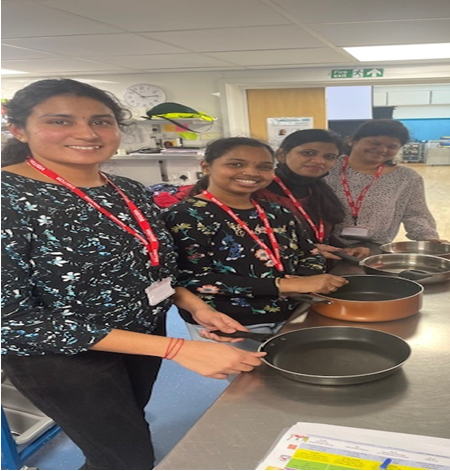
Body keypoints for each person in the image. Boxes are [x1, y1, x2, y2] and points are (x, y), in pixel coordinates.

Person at [0, 78, 266, 470]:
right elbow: (11, 320)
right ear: (18, 129)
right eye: (60, 121)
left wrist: (193, 305)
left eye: (101, 121)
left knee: (125, 433)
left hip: (140, 337)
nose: (87, 133)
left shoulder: (125, 188)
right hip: (63, 358)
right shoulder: (8, 195)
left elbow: (154, 266)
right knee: (126, 457)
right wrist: (179, 348)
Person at [162, 137, 348, 345]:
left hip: (294, 311)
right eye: (236, 164)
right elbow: (192, 279)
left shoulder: (276, 211)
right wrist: (282, 285)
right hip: (230, 322)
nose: (251, 172)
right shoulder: (184, 216)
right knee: (253, 376)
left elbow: (309, 251)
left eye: (264, 167)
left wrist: (305, 278)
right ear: (206, 167)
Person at [325, 119, 446, 251]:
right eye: (375, 143)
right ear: (354, 140)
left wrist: (428, 237)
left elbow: (415, 213)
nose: (382, 150)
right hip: (324, 247)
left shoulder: (406, 178)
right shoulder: (327, 168)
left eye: (392, 147)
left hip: (374, 250)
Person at [253, 129, 370, 260]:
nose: (319, 161)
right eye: (308, 153)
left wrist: (345, 250)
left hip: (321, 268)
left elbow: (320, 235)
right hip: (284, 275)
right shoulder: (259, 191)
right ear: (281, 154)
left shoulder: (317, 189)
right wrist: (308, 248)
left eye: (329, 157)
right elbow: (250, 242)